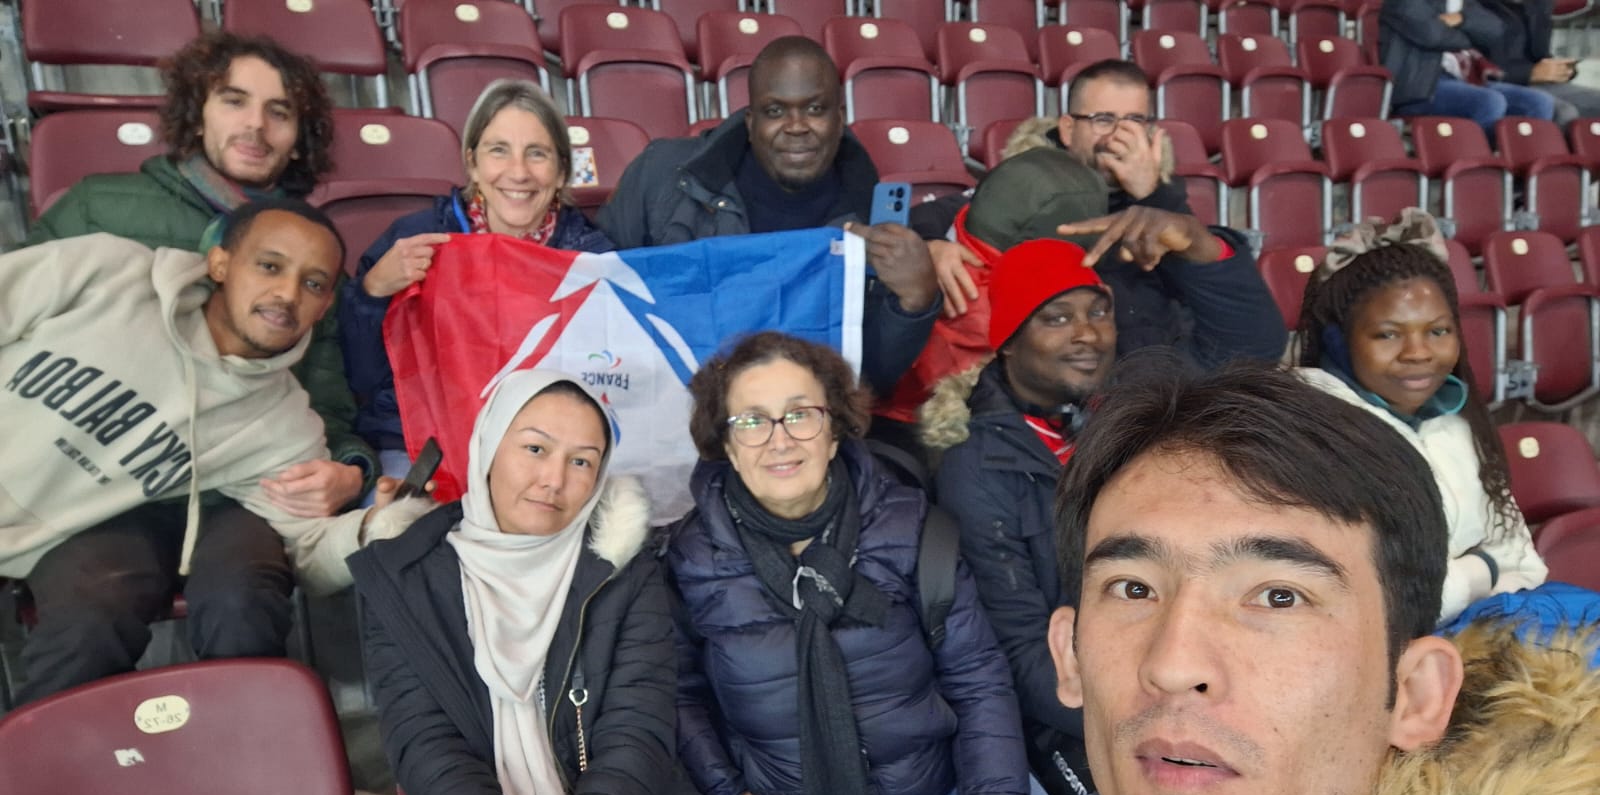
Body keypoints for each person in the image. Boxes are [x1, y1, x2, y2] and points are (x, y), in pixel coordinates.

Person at [992, 357, 1600, 795]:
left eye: (1278, 596)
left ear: (1415, 695)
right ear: (1070, 656)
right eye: (1134, 588)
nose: (1173, 666)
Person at [1, 198, 430, 795]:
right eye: (270, 266)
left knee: (209, 599)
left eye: (313, 283)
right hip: (38, 515)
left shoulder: (281, 420)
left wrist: (376, 525)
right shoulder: (106, 272)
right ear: (221, 263)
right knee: (90, 610)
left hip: (114, 528)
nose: (287, 294)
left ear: (326, 305)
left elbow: (308, 549)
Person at [350, 370, 773, 795]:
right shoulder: (402, 577)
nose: (554, 479)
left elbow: (636, 739)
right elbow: (428, 749)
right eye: (535, 449)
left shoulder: (622, 568)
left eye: (581, 462)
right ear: (489, 447)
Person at [668, 332, 1033, 795]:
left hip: (944, 773)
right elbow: (678, 696)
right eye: (752, 421)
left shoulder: (908, 523)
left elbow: (976, 672)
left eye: (800, 415)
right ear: (727, 445)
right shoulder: (692, 560)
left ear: (835, 430)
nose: (779, 439)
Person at [24, 31, 376, 517]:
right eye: (234, 101)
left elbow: (325, 400)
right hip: (83, 471)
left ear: (299, 140)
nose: (255, 125)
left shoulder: (313, 252)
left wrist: (350, 469)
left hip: (233, 486)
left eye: (279, 112)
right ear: (197, 115)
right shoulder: (95, 206)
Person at [898, 61, 1283, 422]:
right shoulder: (1025, 188)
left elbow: (1251, 340)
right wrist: (931, 247)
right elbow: (918, 224)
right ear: (1068, 129)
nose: (1119, 136)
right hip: (1027, 413)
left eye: (1135, 121)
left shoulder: (1165, 215)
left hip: (1144, 403)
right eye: (1103, 120)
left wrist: (1155, 197)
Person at [596, 37, 939, 397]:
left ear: (839, 119)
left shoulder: (872, 218)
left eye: (815, 109)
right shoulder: (661, 175)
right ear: (751, 121)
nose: (796, 126)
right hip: (668, 402)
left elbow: (868, 379)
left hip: (799, 420)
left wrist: (914, 304)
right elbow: (599, 290)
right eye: (775, 111)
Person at [918, 238, 1116, 795]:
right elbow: (1021, 653)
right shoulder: (976, 467)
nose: (1088, 333)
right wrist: (1132, 721)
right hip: (1067, 713)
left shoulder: (1130, 420)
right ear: (1007, 341)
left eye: (1098, 311)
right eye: (1057, 318)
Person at [339, 80, 614, 485]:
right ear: (472, 164)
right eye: (498, 150)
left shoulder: (595, 260)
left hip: (544, 456)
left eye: (537, 153)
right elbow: (360, 376)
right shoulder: (417, 240)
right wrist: (372, 293)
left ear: (561, 172)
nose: (518, 172)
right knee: (398, 523)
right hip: (421, 447)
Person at [1294, 208, 1546, 622]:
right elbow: (1372, 603)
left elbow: (1523, 560)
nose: (1418, 352)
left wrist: (1469, 583)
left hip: (1480, 630)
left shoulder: (1457, 423)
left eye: (1438, 331)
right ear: (1338, 342)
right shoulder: (1311, 438)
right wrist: (1483, 568)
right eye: (1388, 334)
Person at [1381, 0, 1557, 139]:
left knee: (1539, 102)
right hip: (1420, 87)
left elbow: (1494, 30)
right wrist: (1470, 35)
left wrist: (1461, 19)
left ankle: (1516, 167)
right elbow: (1433, 36)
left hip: (1465, 79)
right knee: (1489, 102)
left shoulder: (1461, 3)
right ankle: (1479, 165)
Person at [1463, 0, 1600, 127]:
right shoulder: (1474, 7)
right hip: (1492, 83)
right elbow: (1469, 67)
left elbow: (1541, 55)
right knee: (1563, 111)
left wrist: (1560, 70)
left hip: (1537, 83)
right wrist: (1529, 73)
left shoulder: (1539, 5)